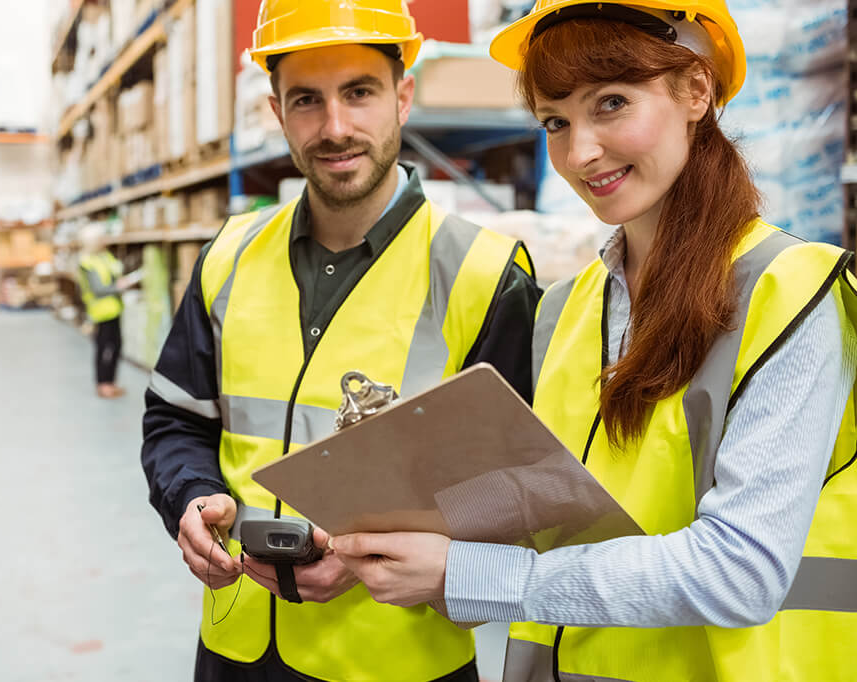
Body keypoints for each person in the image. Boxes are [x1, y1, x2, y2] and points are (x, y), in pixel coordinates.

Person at [332, 1, 857, 680]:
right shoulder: (563, 310)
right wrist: (380, 539)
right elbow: (545, 526)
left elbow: (740, 571)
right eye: (555, 120)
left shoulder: (789, 292)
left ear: (696, 89)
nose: (578, 152)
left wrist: (479, 575)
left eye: (610, 103)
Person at [140, 1, 541, 679]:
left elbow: (518, 493)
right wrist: (191, 498)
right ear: (275, 111)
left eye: (358, 93)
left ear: (401, 97)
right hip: (237, 645)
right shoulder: (228, 257)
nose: (334, 127)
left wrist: (372, 556)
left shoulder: (486, 274)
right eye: (306, 100)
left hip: (395, 658)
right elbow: (175, 421)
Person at [77, 231, 135, 398]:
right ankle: (103, 384)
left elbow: (114, 272)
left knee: (116, 346)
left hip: (114, 308)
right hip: (101, 311)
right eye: (101, 238)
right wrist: (119, 287)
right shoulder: (87, 262)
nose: (105, 240)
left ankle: (111, 382)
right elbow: (98, 289)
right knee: (103, 348)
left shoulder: (105, 257)